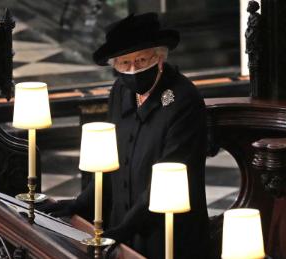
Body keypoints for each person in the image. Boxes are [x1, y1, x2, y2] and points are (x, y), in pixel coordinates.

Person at [40, 13, 210, 259]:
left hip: (166, 233)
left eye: (141, 61)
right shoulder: (121, 91)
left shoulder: (183, 100)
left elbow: (170, 177)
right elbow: (111, 161)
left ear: (159, 58)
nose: (132, 70)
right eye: (124, 63)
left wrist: (124, 229)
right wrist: (80, 203)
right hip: (120, 228)